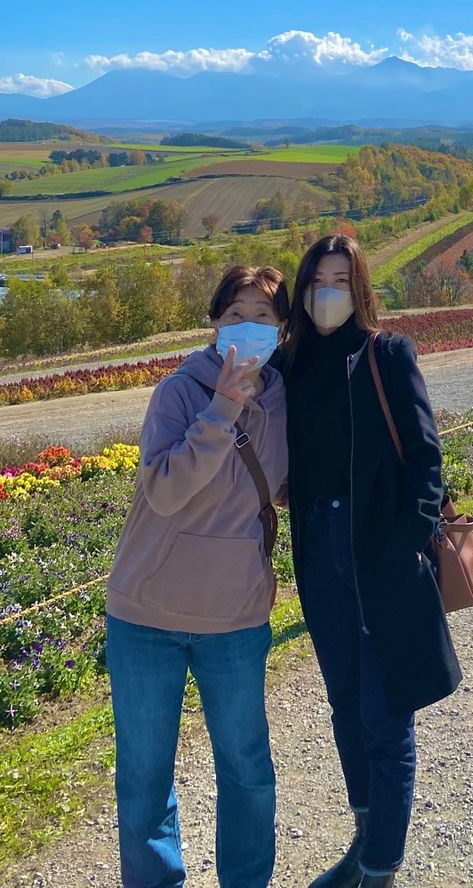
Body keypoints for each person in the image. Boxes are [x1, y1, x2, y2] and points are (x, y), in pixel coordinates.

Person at [274, 234, 461, 888]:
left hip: (378, 548)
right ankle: (363, 840)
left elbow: (426, 454)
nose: (328, 293)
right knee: (345, 704)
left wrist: (408, 539)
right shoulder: (289, 362)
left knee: (388, 712)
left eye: (340, 280)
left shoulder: (385, 354)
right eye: (317, 280)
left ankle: (379, 867)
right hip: (319, 550)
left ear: (360, 288)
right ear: (302, 290)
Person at [106, 264, 290, 888]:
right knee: (144, 777)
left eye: (262, 318)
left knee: (245, 768)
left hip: (235, 618)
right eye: (235, 315)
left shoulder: (286, 401)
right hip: (145, 616)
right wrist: (223, 406)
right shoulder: (179, 393)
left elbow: (290, 487)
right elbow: (164, 490)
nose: (247, 328)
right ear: (214, 323)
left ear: (282, 331)